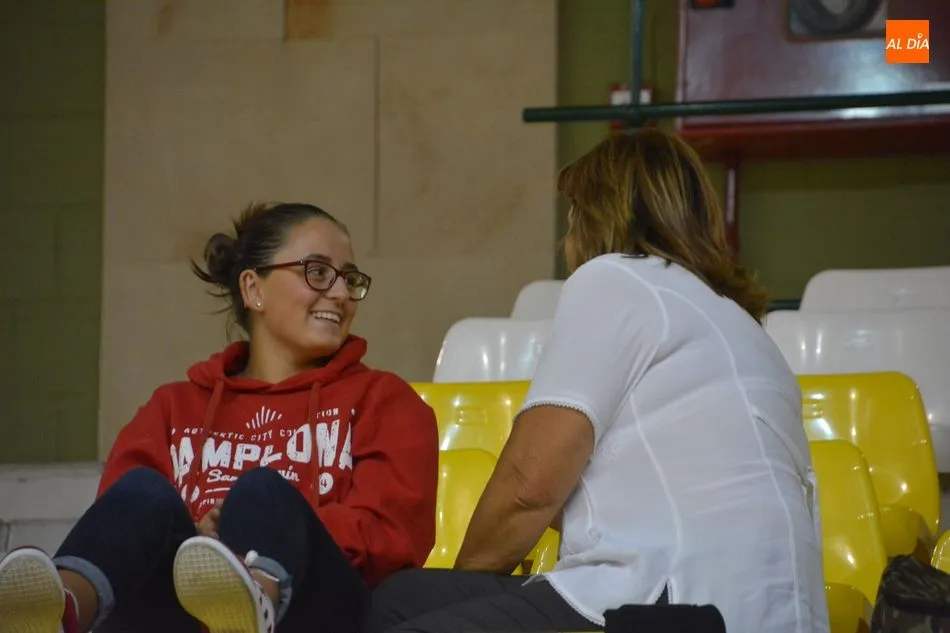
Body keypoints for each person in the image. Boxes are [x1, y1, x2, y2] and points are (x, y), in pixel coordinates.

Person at [366, 129, 830, 633]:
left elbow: (528, 488)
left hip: (677, 606)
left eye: (571, 219)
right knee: (402, 599)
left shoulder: (618, 279)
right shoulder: (742, 325)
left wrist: (461, 601)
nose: (565, 243)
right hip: (763, 610)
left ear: (596, 218)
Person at [0, 202, 439, 633]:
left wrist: (255, 530)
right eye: (318, 272)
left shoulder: (385, 400)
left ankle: (254, 603)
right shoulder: (172, 407)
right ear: (253, 288)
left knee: (262, 492)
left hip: (317, 613)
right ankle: (59, 612)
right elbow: (120, 533)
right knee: (142, 493)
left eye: (350, 279)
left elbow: (393, 537)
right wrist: (200, 545)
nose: (342, 294)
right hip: (177, 612)